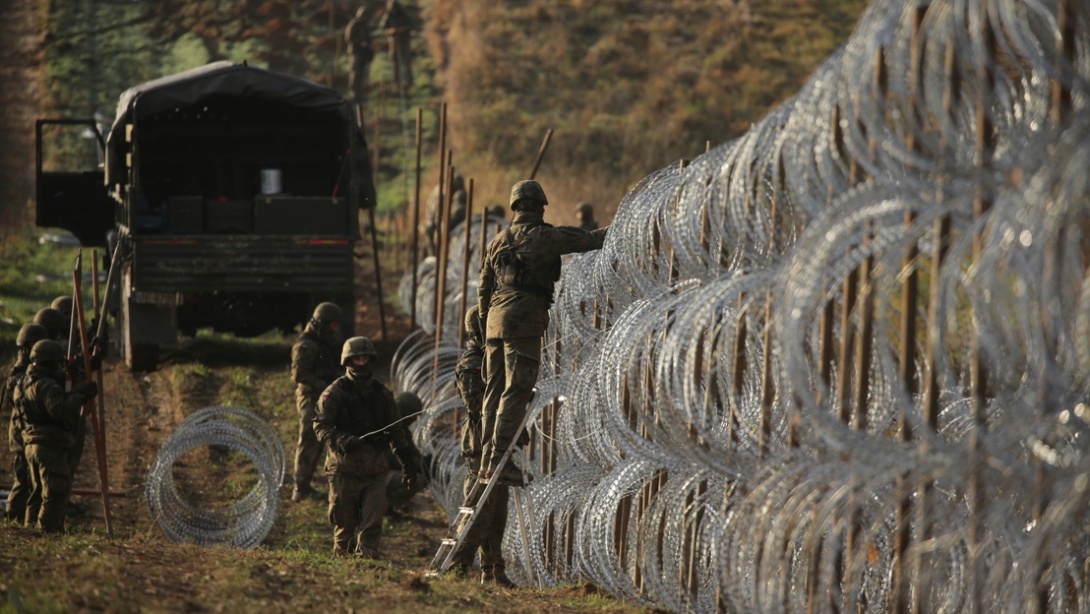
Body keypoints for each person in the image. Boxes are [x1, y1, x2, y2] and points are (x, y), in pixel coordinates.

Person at [477, 180, 607, 486]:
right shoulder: (545, 236)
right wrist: (627, 225)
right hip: (524, 320)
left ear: (515, 207)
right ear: (539, 206)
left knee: (493, 393)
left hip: (495, 323)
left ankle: (487, 461)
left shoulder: (497, 242)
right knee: (517, 389)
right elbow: (588, 240)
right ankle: (499, 463)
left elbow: (484, 290)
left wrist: (486, 329)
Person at [314, 336, 420, 557]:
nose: (361, 363)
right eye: (357, 359)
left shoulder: (383, 394)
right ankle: (345, 573)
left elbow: (396, 431)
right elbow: (321, 426)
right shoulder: (334, 393)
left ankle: (369, 567)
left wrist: (407, 464)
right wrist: (342, 440)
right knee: (345, 530)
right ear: (348, 362)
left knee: (372, 527)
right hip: (344, 470)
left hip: (375, 472)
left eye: (365, 359)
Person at [451, 305, 514, 586]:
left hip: (498, 443)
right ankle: (457, 566)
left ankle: (493, 572)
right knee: (479, 513)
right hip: (480, 444)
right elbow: (475, 404)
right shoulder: (471, 363)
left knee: (497, 515)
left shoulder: (496, 361)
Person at [13, 340, 98, 532]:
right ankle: (47, 533)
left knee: (36, 495)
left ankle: (30, 531)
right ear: (51, 363)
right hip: (48, 446)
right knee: (55, 493)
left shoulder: (24, 381)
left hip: (31, 444)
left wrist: (78, 373)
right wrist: (82, 394)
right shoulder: (45, 385)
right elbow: (59, 408)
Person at [290, 302, 344, 502]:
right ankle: (300, 488)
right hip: (311, 398)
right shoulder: (306, 345)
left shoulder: (324, 342)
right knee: (309, 440)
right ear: (323, 323)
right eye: (333, 325)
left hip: (324, 397)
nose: (336, 330)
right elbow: (300, 374)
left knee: (323, 441)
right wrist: (325, 386)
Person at [3, 324, 50, 522]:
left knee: (30, 480)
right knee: (23, 479)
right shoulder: (20, 374)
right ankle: (13, 515)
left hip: (25, 431)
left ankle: (20, 516)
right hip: (21, 433)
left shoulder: (27, 369)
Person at [383, 391, 428, 515]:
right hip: (376, 473)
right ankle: (381, 506)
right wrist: (417, 465)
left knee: (421, 474)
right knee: (415, 479)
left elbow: (411, 451)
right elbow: (392, 457)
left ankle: (388, 507)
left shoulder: (402, 427)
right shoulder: (386, 426)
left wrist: (424, 463)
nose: (415, 419)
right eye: (413, 414)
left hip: (385, 471)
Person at [379, 0, 420, 90]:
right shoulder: (388, 15)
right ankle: (396, 81)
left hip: (405, 40)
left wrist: (404, 29)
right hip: (393, 41)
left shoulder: (405, 14)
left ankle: (410, 81)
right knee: (395, 61)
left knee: (407, 61)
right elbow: (382, 28)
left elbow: (413, 24)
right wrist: (389, 31)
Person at [423, 174, 465, 255]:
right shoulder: (447, 194)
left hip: (432, 221)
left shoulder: (439, 189)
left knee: (434, 251)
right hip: (438, 224)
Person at [345, 7, 375, 104]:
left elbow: (369, 36)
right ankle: (353, 93)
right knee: (355, 72)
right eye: (363, 16)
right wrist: (360, 42)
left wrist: (370, 44)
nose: (364, 18)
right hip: (355, 52)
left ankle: (359, 94)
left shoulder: (365, 25)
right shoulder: (354, 24)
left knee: (361, 73)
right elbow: (349, 37)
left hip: (363, 52)